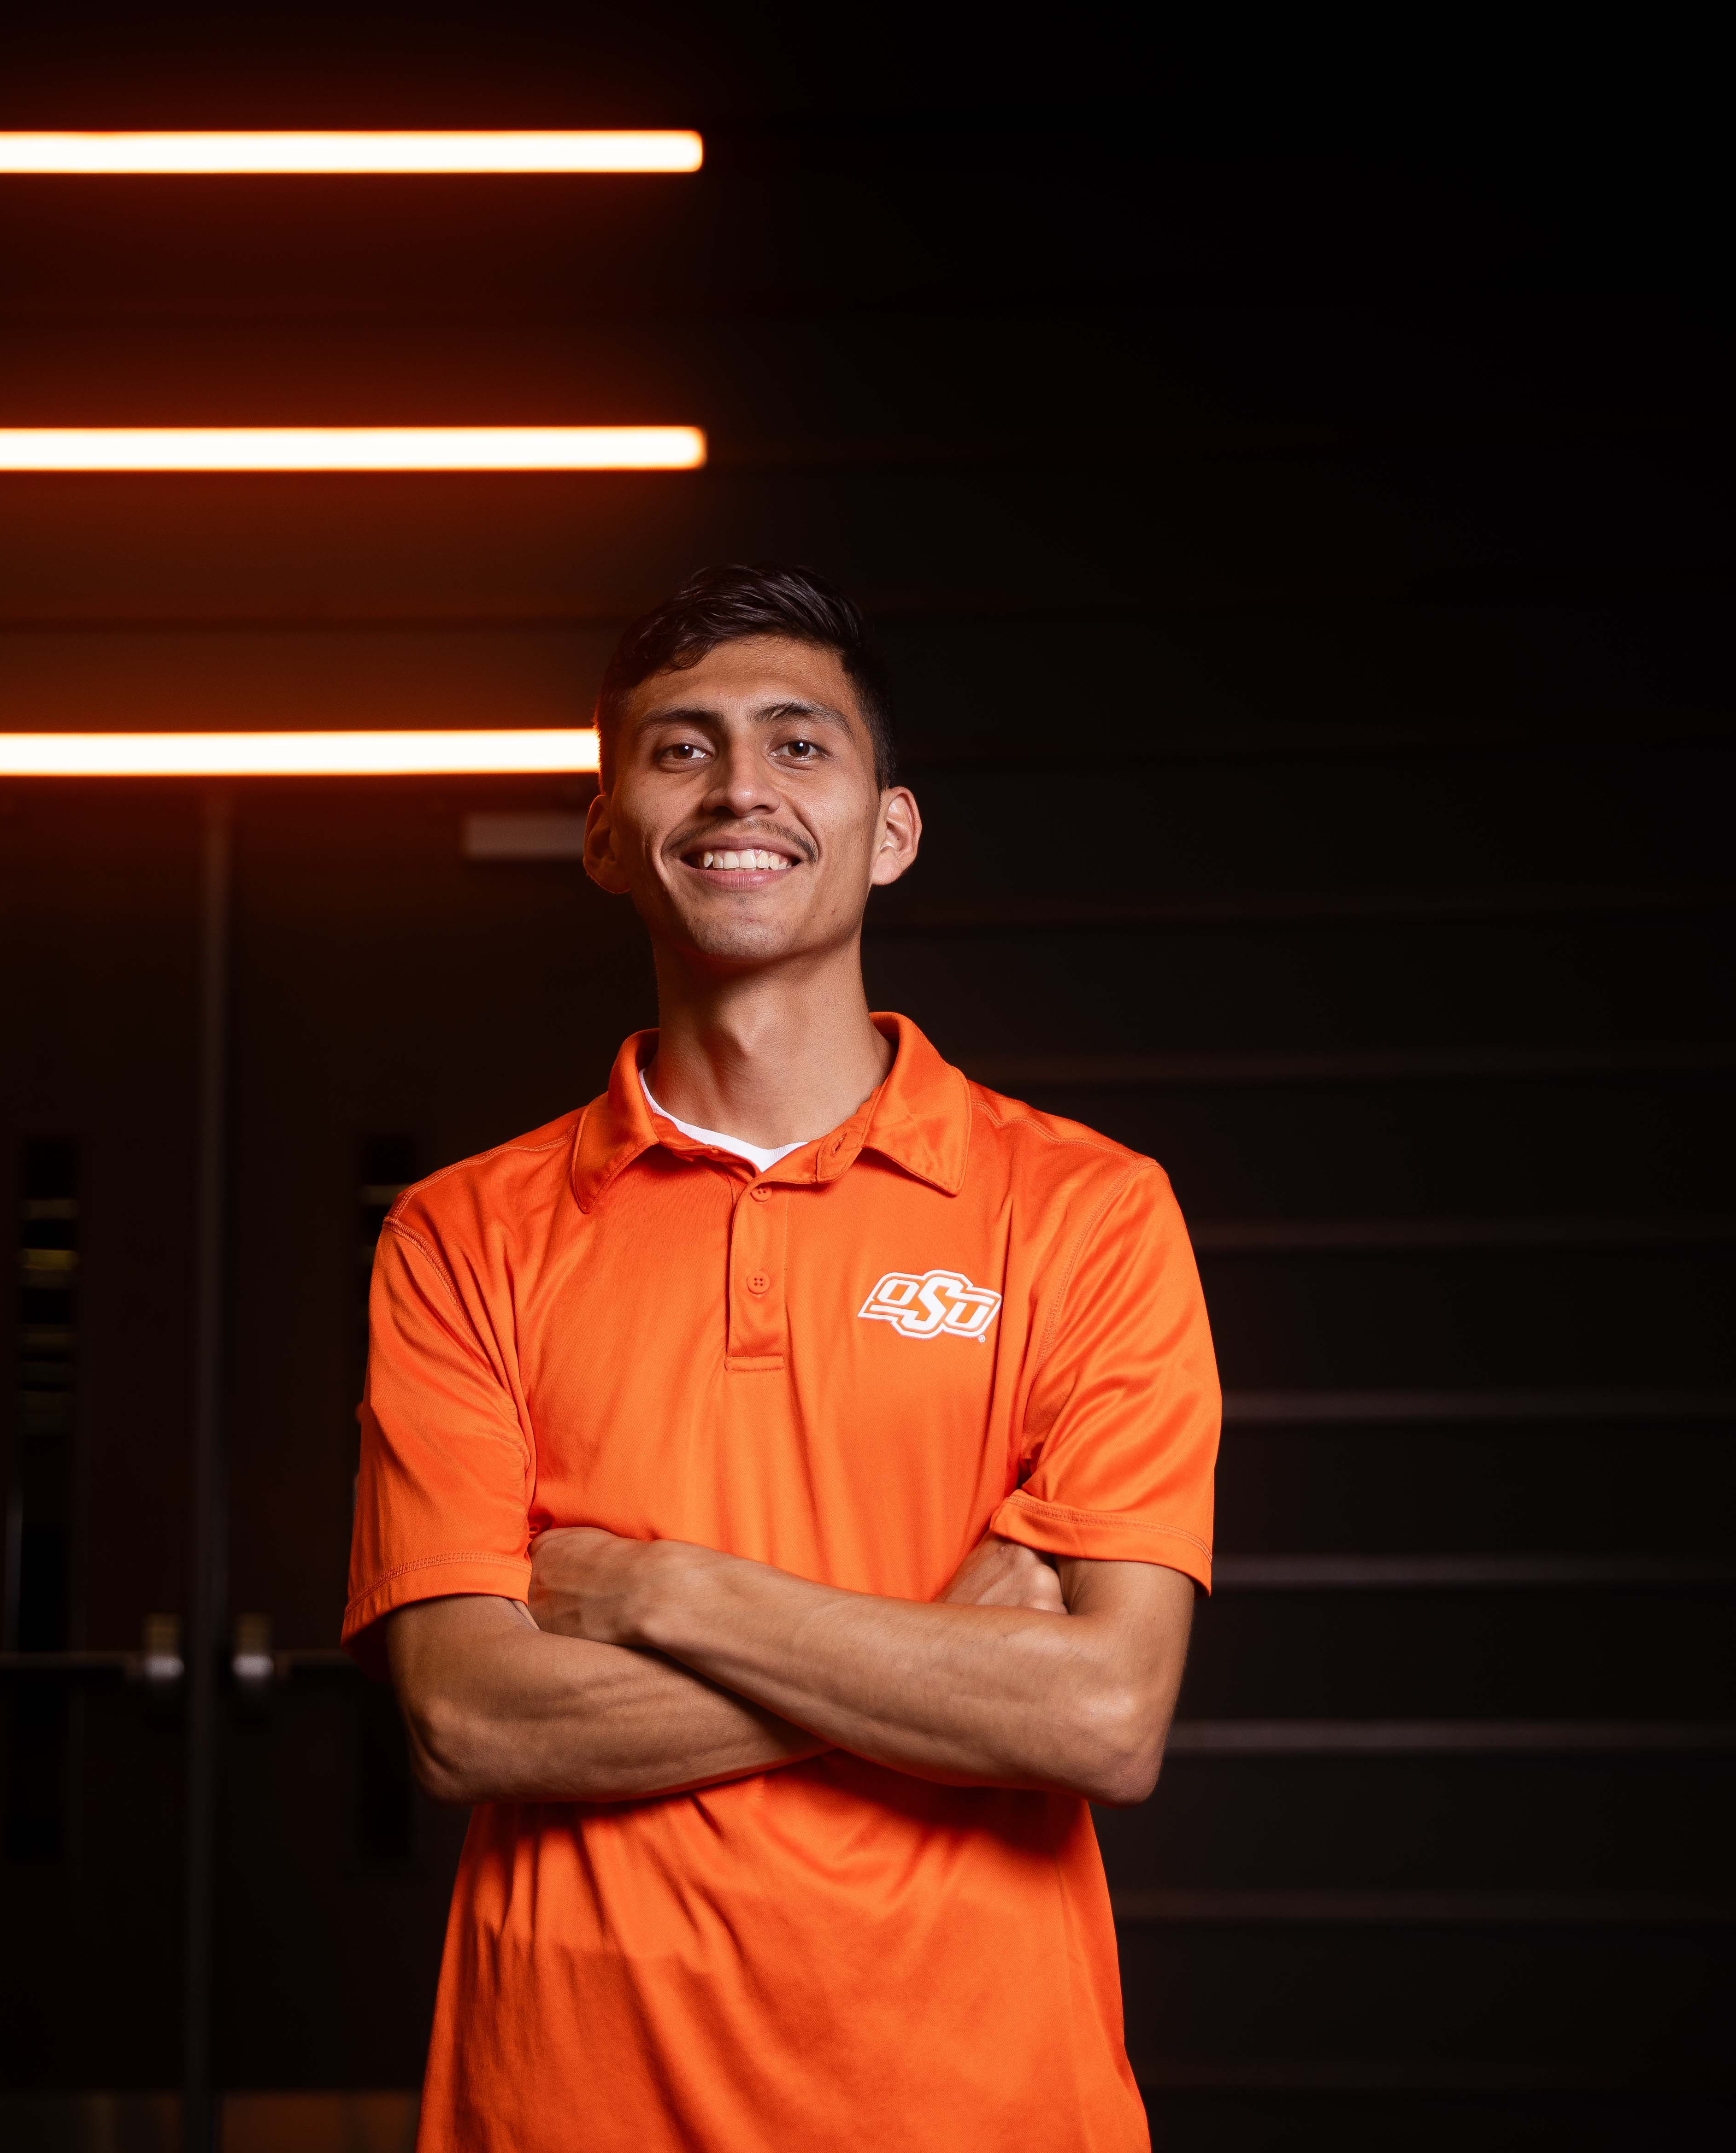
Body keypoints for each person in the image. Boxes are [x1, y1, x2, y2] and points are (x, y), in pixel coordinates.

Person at [343, 564, 1219, 2150]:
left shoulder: (1088, 1212)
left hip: (987, 2110)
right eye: (680, 748)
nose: (739, 785)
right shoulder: (460, 1236)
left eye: (799, 744)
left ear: (892, 831)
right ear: (604, 833)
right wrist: (943, 1668)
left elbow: (1102, 1717)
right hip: (573, 2114)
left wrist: (656, 1593)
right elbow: (470, 1722)